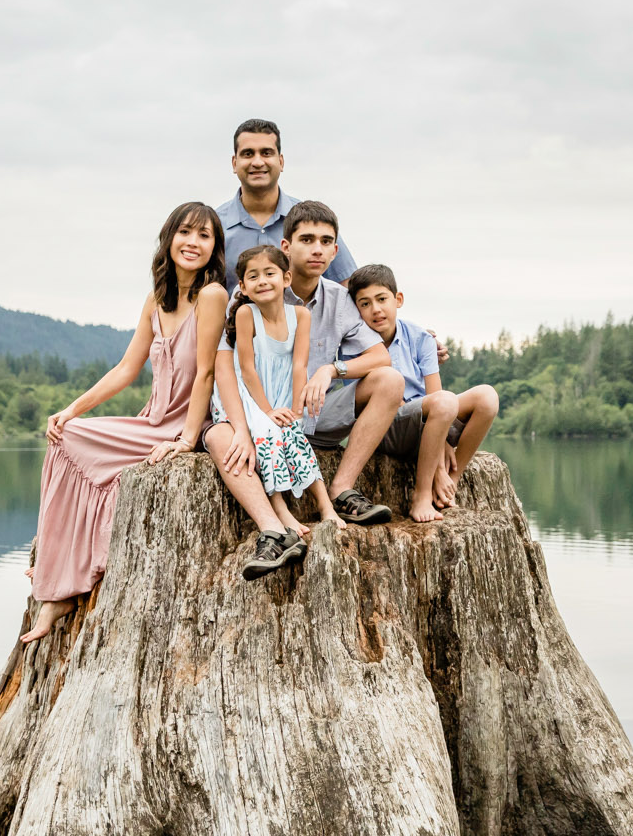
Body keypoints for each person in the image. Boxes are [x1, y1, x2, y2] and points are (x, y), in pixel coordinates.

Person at [21, 201, 229, 642]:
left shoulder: (213, 295)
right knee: (65, 437)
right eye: (185, 233)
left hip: (183, 424)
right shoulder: (156, 299)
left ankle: (62, 586)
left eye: (204, 236)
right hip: (151, 420)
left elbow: (207, 372)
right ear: (169, 239)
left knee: (90, 457)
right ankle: (55, 565)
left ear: (215, 247)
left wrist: (188, 440)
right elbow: (126, 368)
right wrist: (71, 409)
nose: (193, 243)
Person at [205, 200, 402, 528]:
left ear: (336, 251)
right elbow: (226, 368)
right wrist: (246, 422)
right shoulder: (258, 292)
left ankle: (341, 490)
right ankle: (275, 526)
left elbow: (380, 355)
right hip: (263, 408)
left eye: (326, 242)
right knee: (227, 436)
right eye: (307, 240)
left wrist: (330, 369)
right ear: (286, 246)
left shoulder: (339, 300)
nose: (317, 250)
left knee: (389, 380)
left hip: (312, 409)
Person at [213, 245, 342, 573]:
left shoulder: (300, 315)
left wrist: (296, 408)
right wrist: (268, 411)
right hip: (251, 395)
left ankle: (326, 506)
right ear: (242, 287)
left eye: (270, 273)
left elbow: (300, 365)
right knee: (269, 434)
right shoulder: (246, 314)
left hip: (283, 392)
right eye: (252, 277)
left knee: (294, 434)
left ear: (286, 278)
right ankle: (281, 511)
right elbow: (247, 368)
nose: (262, 281)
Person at [347, 263, 500, 522]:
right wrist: (439, 461)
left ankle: (450, 482)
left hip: (429, 419)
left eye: (382, 299)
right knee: (442, 403)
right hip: (388, 428)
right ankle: (422, 495)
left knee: (487, 396)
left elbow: (436, 396)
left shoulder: (420, 338)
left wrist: (443, 460)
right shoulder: (354, 341)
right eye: (365, 303)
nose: (376, 309)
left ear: (398, 299)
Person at [217, 120, 359, 287]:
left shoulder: (311, 220)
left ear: (281, 161)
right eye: (248, 154)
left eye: (266, 153)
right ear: (234, 163)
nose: (257, 162)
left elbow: (346, 283)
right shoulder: (214, 226)